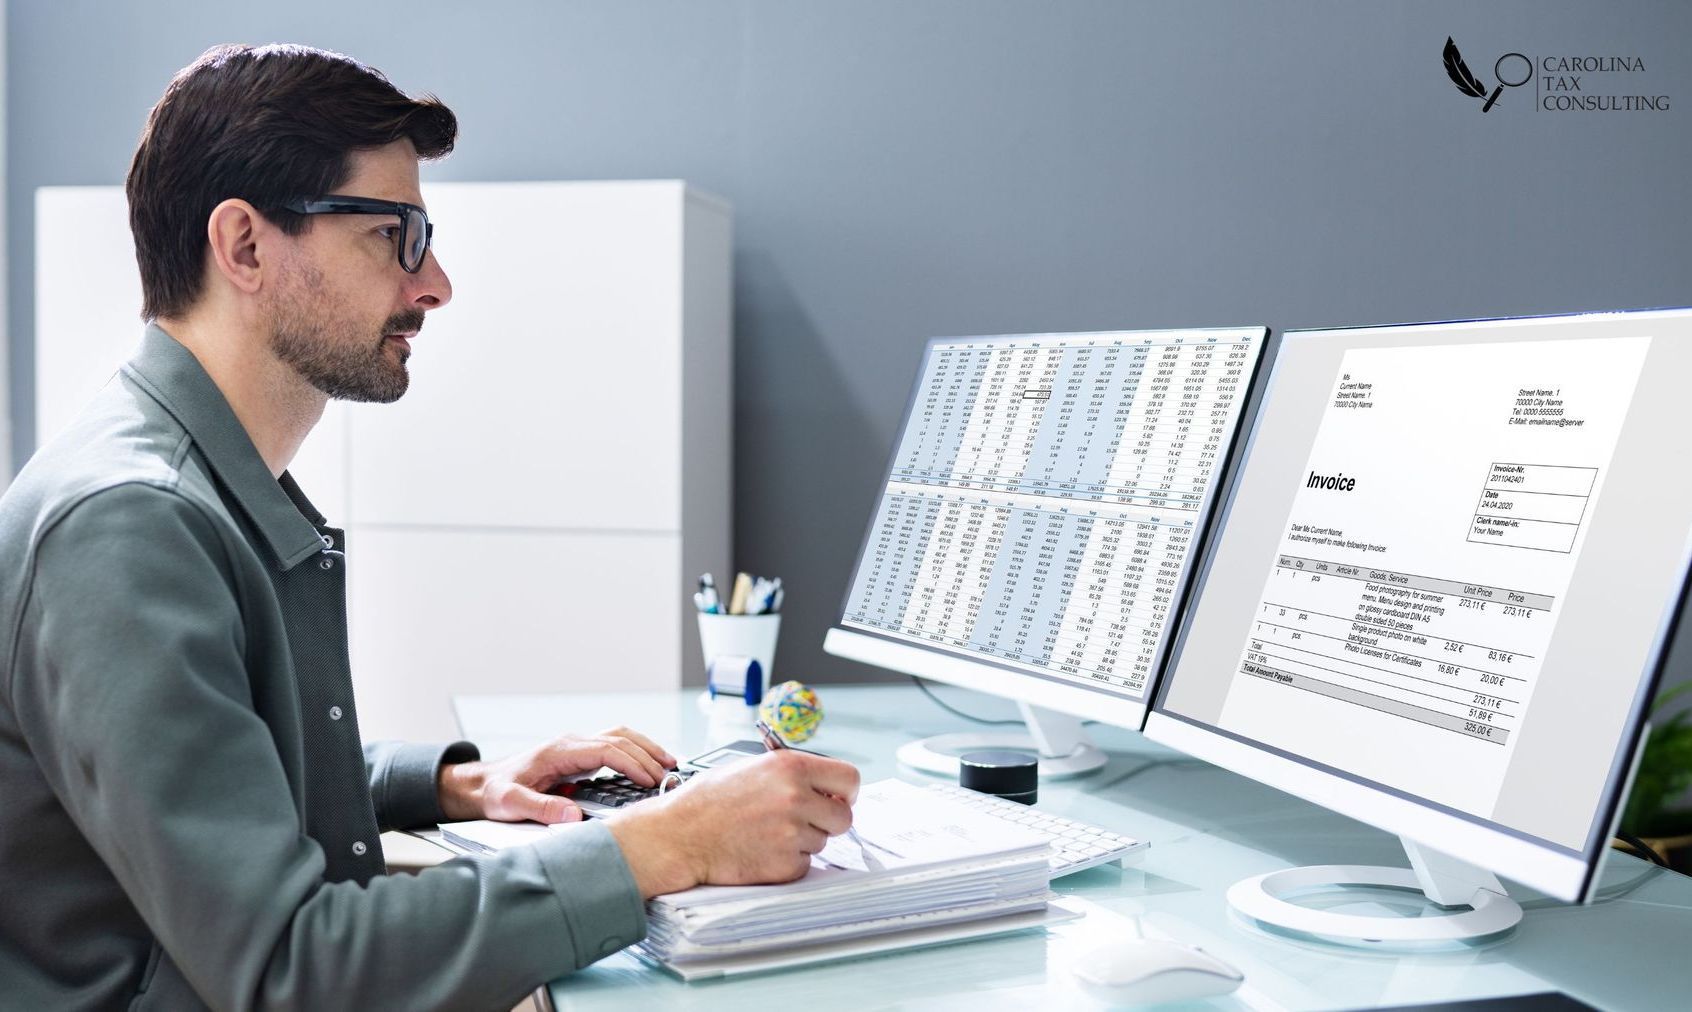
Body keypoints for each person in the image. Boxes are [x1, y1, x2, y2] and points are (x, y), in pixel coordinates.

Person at [0, 43, 859, 1010]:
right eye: (394, 235)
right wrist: (665, 843)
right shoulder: (126, 530)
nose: (435, 282)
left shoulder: (181, 490)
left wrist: (460, 784)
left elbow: (216, 774)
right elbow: (293, 968)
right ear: (243, 246)